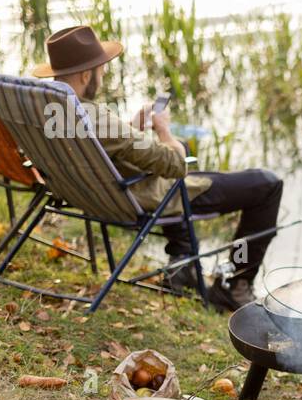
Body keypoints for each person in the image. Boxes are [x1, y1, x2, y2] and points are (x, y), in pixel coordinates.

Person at [33, 25, 283, 311]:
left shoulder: (49, 110)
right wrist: (164, 131)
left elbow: (104, 146)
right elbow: (175, 165)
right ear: (86, 74)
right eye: (101, 71)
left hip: (96, 193)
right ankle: (233, 284)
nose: (102, 77)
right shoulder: (95, 117)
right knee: (266, 184)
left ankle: (182, 263)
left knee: (192, 166)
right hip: (146, 195)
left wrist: (131, 130)